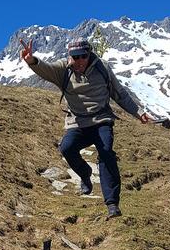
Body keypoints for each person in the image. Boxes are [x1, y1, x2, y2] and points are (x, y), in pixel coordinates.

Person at [20, 36, 150, 218]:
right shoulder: (63, 69)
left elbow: (119, 94)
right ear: (69, 56)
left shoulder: (102, 68)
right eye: (75, 56)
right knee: (66, 148)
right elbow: (45, 69)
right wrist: (31, 61)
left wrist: (138, 113)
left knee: (106, 153)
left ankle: (112, 203)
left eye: (83, 56)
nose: (79, 60)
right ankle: (85, 173)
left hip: (101, 120)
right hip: (77, 122)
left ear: (89, 54)